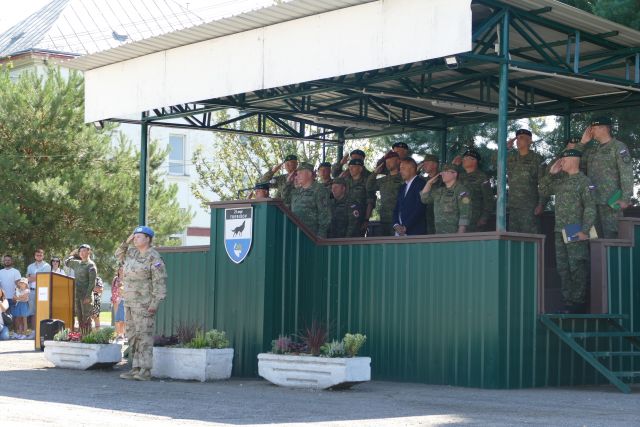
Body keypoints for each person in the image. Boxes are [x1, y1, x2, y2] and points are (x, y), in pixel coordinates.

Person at [539, 149, 596, 313]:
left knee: (577, 266)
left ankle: (578, 303)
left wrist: (585, 230)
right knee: (563, 268)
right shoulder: (560, 180)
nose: (561, 162)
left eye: (564, 159)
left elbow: (590, 207)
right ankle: (568, 303)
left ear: (573, 160)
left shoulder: (585, 181)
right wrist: (551, 174)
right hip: (559, 230)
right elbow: (543, 190)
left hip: (575, 229)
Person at [116, 226, 167, 381]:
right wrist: (126, 242)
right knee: (132, 336)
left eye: (139, 236)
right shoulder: (132, 253)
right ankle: (135, 368)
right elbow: (118, 254)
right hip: (129, 302)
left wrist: (155, 303)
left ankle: (145, 370)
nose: (135, 238)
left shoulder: (154, 258)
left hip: (144, 304)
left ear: (148, 239)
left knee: (144, 337)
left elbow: (160, 282)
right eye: (134, 236)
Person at [573, 117, 634, 238]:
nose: (590, 132)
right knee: (595, 240)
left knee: (612, 239)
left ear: (603, 128)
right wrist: (582, 143)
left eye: (593, 128)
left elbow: (626, 173)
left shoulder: (618, 147)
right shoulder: (592, 151)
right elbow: (574, 163)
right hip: (592, 202)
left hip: (611, 202)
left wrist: (625, 198)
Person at [506, 129, 546, 233]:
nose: (518, 140)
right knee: (514, 238)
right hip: (513, 206)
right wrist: (506, 147)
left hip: (529, 207)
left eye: (522, 138)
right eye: (517, 138)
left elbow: (544, 183)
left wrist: (541, 204)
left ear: (530, 141)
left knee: (530, 238)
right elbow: (494, 161)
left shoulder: (537, 159)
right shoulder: (511, 157)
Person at [420, 164, 471, 234]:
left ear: (455, 174)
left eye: (446, 172)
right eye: (442, 172)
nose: (442, 174)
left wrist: (461, 232)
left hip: (454, 233)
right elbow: (424, 199)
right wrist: (428, 183)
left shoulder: (461, 190)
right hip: (439, 233)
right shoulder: (440, 191)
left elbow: (465, 212)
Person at [453, 149, 494, 231]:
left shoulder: (482, 177)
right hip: (457, 217)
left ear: (474, 161)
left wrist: (484, 217)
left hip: (474, 218)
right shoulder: (459, 176)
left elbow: (488, 199)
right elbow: (444, 179)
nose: (463, 160)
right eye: (463, 158)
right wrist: (454, 165)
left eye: (466, 158)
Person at [367, 151, 404, 236]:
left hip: (398, 218)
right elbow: (369, 186)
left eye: (390, 160)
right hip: (384, 218)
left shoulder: (403, 177)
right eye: (386, 161)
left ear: (398, 161)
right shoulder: (383, 180)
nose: (388, 163)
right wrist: (375, 173)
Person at [290, 162, 331, 238]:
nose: (297, 176)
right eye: (297, 174)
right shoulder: (295, 192)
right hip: (296, 234)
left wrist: (320, 237)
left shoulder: (319, 190)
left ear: (309, 174)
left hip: (312, 236)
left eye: (300, 173)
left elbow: (325, 215)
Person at [64, 244, 97, 334]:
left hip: (86, 296)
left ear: (89, 252)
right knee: (79, 317)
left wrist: (88, 296)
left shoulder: (91, 265)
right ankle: (82, 335)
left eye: (84, 251)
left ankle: (87, 337)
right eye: (80, 251)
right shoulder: (77, 263)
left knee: (86, 318)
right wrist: (73, 255)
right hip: (77, 295)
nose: (82, 253)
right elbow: (66, 262)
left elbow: (92, 282)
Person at [392, 158, 427, 236]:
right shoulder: (402, 187)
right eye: (400, 169)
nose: (400, 171)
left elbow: (420, 208)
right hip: (399, 232)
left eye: (403, 168)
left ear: (412, 169)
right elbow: (396, 208)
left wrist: (405, 226)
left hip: (415, 232)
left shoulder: (421, 184)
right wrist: (396, 224)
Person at [344, 158, 371, 236]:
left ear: (360, 169)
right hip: (345, 218)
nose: (350, 169)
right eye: (349, 167)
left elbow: (370, 202)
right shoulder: (346, 181)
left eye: (353, 167)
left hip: (359, 219)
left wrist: (366, 220)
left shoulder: (367, 182)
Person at [26, 248, 51, 332]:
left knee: (42, 311)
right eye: (37, 255)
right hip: (32, 291)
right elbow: (28, 278)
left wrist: (33, 276)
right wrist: (37, 276)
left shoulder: (47, 266)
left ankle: (42, 331)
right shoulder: (30, 266)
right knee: (32, 312)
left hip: (42, 291)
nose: (39, 256)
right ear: (35, 256)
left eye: (40, 255)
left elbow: (43, 278)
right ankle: (34, 332)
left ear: (43, 256)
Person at [419, 154, 442, 234]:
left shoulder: (443, 179)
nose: (424, 165)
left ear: (435, 165)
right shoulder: (422, 180)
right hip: (424, 218)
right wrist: (417, 170)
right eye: (424, 163)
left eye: (427, 163)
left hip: (439, 218)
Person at [0, 255, 21, 323]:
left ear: (12, 261)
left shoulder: (16, 271)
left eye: (9, 260)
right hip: (3, 299)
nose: (7, 261)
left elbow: (19, 286)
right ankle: (6, 329)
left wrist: (16, 297)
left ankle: (15, 330)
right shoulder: (0, 272)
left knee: (15, 317)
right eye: (5, 260)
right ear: (3, 261)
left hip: (13, 298)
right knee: (4, 317)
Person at [111, 266, 126, 341]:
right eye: (120, 269)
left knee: (123, 318)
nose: (121, 271)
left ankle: (122, 333)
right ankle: (117, 333)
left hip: (124, 300)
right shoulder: (115, 279)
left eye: (122, 269)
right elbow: (112, 289)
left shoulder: (126, 279)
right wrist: (113, 298)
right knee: (117, 317)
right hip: (115, 300)